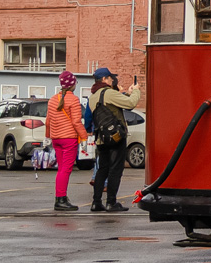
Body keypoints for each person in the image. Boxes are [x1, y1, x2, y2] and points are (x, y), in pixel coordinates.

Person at [87, 67, 141, 213]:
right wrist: (135, 91)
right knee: (115, 170)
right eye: (110, 78)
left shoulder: (92, 97)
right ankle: (111, 202)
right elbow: (130, 104)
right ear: (104, 79)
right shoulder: (108, 93)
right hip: (116, 137)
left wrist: (124, 93)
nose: (112, 80)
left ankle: (96, 202)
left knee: (102, 170)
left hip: (101, 138)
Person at [45, 72, 87, 211]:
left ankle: (60, 197)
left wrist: (48, 136)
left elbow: (48, 121)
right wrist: (84, 137)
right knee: (66, 170)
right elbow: (76, 122)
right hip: (69, 139)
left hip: (56, 138)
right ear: (72, 84)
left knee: (61, 169)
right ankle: (61, 199)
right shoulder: (74, 100)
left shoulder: (52, 100)